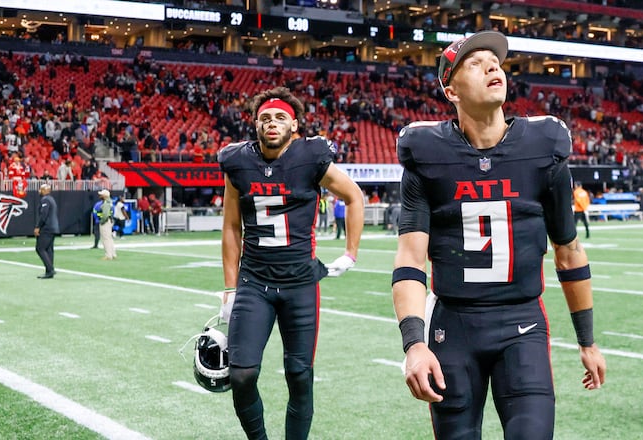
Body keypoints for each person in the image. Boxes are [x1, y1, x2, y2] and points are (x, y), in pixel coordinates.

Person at [391, 31, 606, 440]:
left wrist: (588, 342)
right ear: (450, 90)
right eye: (475, 63)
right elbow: (410, 258)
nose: (492, 66)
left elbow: (569, 251)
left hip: (522, 323)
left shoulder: (544, 146)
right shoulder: (426, 152)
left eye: (495, 61)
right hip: (453, 328)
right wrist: (414, 344)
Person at [219, 86, 364, 440]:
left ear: (294, 124)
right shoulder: (237, 162)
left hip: (300, 284)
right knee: (241, 374)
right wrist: (228, 289)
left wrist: (350, 253)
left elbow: (354, 196)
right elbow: (230, 227)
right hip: (255, 283)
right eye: (265, 117)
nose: (272, 123)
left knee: (299, 374)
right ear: (255, 124)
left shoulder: (311, 156)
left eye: (280, 117)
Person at [34, 183, 59, 279]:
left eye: (41, 189)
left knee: (40, 248)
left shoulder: (45, 200)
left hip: (47, 228)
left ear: (45, 190)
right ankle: (49, 272)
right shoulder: (51, 199)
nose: (39, 191)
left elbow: (43, 215)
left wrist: (37, 226)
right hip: (53, 227)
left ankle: (50, 269)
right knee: (49, 249)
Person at [96, 189, 116, 260]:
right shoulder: (109, 202)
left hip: (105, 222)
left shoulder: (105, 204)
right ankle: (113, 254)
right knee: (109, 238)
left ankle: (108, 255)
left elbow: (105, 215)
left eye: (101, 195)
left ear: (104, 196)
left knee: (106, 239)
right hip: (109, 221)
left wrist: (101, 221)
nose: (100, 196)